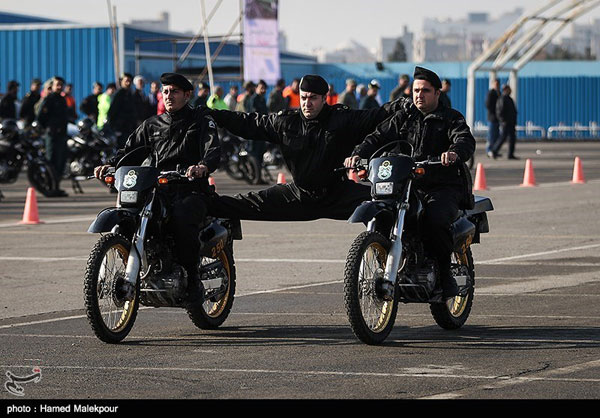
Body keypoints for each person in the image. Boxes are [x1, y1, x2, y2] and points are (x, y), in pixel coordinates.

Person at [345, 66, 476, 300]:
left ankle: (445, 276)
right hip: (406, 184)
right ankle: (391, 266)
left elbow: (464, 139)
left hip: (441, 185)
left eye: (425, 90)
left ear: (437, 93)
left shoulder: (451, 118)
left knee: (434, 219)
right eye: (416, 90)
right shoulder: (404, 117)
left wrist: (454, 152)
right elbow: (377, 136)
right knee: (383, 214)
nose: (419, 95)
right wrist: (358, 153)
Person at [94, 72, 221, 305]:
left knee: (182, 218)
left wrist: (202, 166)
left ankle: (192, 280)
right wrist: (111, 165)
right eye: (165, 91)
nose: (169, 95)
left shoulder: (201, 120)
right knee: (133, 215)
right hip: (157, 188)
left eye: (174, 91)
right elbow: (129, 150)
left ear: (187, 94)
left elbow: (212, 149)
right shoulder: (153, 124)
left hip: (190, 188)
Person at [205, 74, 396, 223]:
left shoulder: (342, 119)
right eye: (304, 98)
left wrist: (403, 106)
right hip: (299, 195)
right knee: (232, 205)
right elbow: (249, 123)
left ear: (324, 98)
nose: (307, 103)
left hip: (337, 195)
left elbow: (377, 115)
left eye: (313, 98)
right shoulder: (287, 122)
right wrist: (214, 115)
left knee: (385, 206)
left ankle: (391, 260)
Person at [36, 76, 73, 197]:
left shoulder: (62, 99)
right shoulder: (49, 99)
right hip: (52, 135)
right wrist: (48, 128)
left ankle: (56, 187)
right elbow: (41, 116)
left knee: (60, 162)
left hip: (61, 134)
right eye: (57, 84)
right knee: (51, 161)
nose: (59, 86)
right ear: (52, 86)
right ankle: (50, 187)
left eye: (61, 84)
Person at [108, 73, 137, 147]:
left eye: (130, 81)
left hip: (128, 127)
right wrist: (114, 127)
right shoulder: (118, 94)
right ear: (121, 82)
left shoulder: (130, 94)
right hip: (120, 128)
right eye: (126, 81)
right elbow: (112, 111)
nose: (128, 83)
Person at [491, 84, 518, 160]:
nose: (510, 91)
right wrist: (503, 121)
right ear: (506, 90)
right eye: (509, 89)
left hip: (511, 122)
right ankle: (494, 150)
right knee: (503, 137)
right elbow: (499, 111)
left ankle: (510, 154)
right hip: (506, 123)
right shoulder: (502, 99)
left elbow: (513, 111)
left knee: (512, 138)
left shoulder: (509, 99)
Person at [485, 79, 501, 158]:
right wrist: (494, 111)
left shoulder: (499, 93)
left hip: (498, 119)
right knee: (491, 136)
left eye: (498, 84)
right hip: (492, 118)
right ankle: (489, 151)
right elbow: (488, 104)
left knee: (496, 136)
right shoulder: (490, 93)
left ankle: (494, 151)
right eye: (495, 84)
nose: (497, 86)